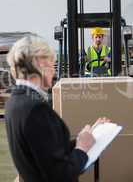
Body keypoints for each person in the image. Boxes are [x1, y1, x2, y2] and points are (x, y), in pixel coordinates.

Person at [5, 35, 109, 182]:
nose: (54, 73)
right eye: (53, 65)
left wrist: (87, 137)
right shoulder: (35, 109)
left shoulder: (14, 103)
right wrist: (82, 149)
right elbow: (60, 174)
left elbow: (48, 151)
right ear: (40, 63)